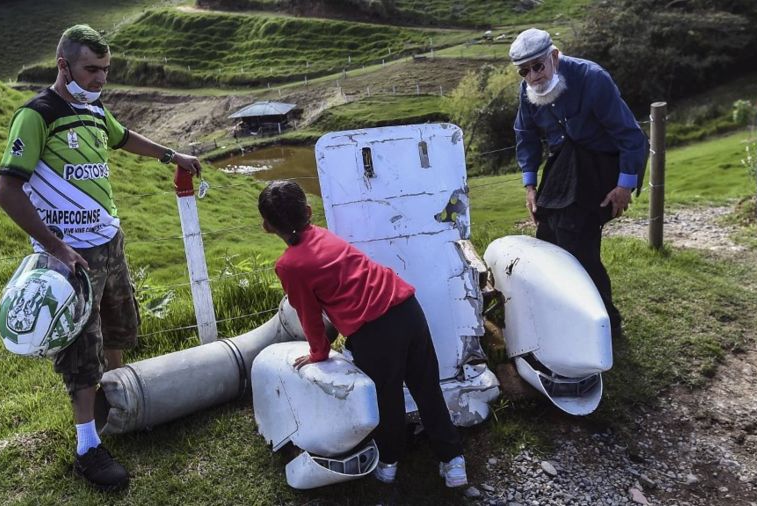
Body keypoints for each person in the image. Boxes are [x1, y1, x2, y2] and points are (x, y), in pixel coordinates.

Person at [0, 24, 202, 492]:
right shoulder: (36, 115)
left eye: (106, 70)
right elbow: (5, 191)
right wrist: (58, 248)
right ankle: (87, 447)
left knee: (118, 328)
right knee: (82, 350)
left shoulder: (92, 109)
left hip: (110, 242)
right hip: (71, 257)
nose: (100, 78)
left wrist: (174, 155)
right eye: (91, 69)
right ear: (62, 64)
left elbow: (125, 138)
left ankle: (121, 408)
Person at [258, 180, 467, 488]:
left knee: (387, 400)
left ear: (266, 226)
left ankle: (390, 462)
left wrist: (318, 353)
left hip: (375, 331)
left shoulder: (289, 266)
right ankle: (453, 463)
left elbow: (310, 316)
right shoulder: (324, 235)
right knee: (427, 388)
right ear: (308, 211)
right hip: (408, 308)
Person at [510, 28, 648, 339]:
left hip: (601, 159)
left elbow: (630, 135)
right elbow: (526, 136)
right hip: (566, 162)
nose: (532, 77)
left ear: (554, 57)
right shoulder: (527, 91)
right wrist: (530, 187)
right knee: (547, 233)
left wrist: (624, 186)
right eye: (524, 71)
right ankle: (563, 313)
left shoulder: (592, 78)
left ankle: (605, 324)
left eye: (538, 66)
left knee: (576, 242)